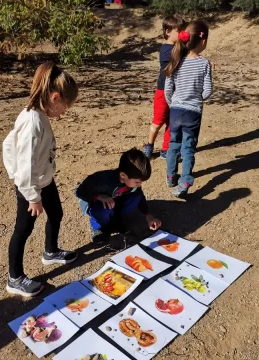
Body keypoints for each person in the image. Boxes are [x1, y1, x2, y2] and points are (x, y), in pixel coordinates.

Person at [2, 62, 78, 297]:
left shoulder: (38, 113)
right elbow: (24, 165)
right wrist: (32, 197)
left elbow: (12, 145)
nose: (64, 112)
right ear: (55, 97)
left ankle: (50, 251)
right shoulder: (32, 122)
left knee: (57, 214)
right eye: (65, 106)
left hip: (44, 180)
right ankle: (14, 278)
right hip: (30, 187)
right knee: (23, 229)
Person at [164, 20, 213, 197]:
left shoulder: (176, 60)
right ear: (203, 41)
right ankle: (185, 181)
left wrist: (172, 103)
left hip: (175, 110)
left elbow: (168, 88)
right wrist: (197, 100)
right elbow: (207, 91)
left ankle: (170, 176)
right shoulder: (204, 64)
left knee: (173, 144)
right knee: (188, 147)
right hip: (193, 112)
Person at [75, 148, 162, 245]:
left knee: (136, 198)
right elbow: (79, 192)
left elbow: (140, 196)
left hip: (116, 201)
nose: (140, 184)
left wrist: (148, 216)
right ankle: (97, 227)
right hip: (97, 204)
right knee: (103, 211)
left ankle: (117, 218)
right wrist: (99, 196)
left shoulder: (131, 182)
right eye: (137, 182)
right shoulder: (102, 180)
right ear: (123, 175)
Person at [143, 16, 185, 160]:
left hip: (175, 90)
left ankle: (166, 149)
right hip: (163, 90)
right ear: (168, 32)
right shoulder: (166, 49)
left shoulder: (179, 47)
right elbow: (169, 69)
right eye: (178, 31)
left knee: (172, 121)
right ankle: (149, 145)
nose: (181, 34)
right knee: (158, 121)